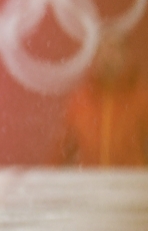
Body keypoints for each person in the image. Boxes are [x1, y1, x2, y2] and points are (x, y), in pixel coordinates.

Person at [56, 31, 148, 166]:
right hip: (91, 185)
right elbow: (60, 151)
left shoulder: (142, 99)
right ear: (95, 55)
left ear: (125, 54)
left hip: (129, 184)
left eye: (114, 47)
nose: (108, 55)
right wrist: (43, 183)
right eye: (103, 49)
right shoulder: (79, 101)